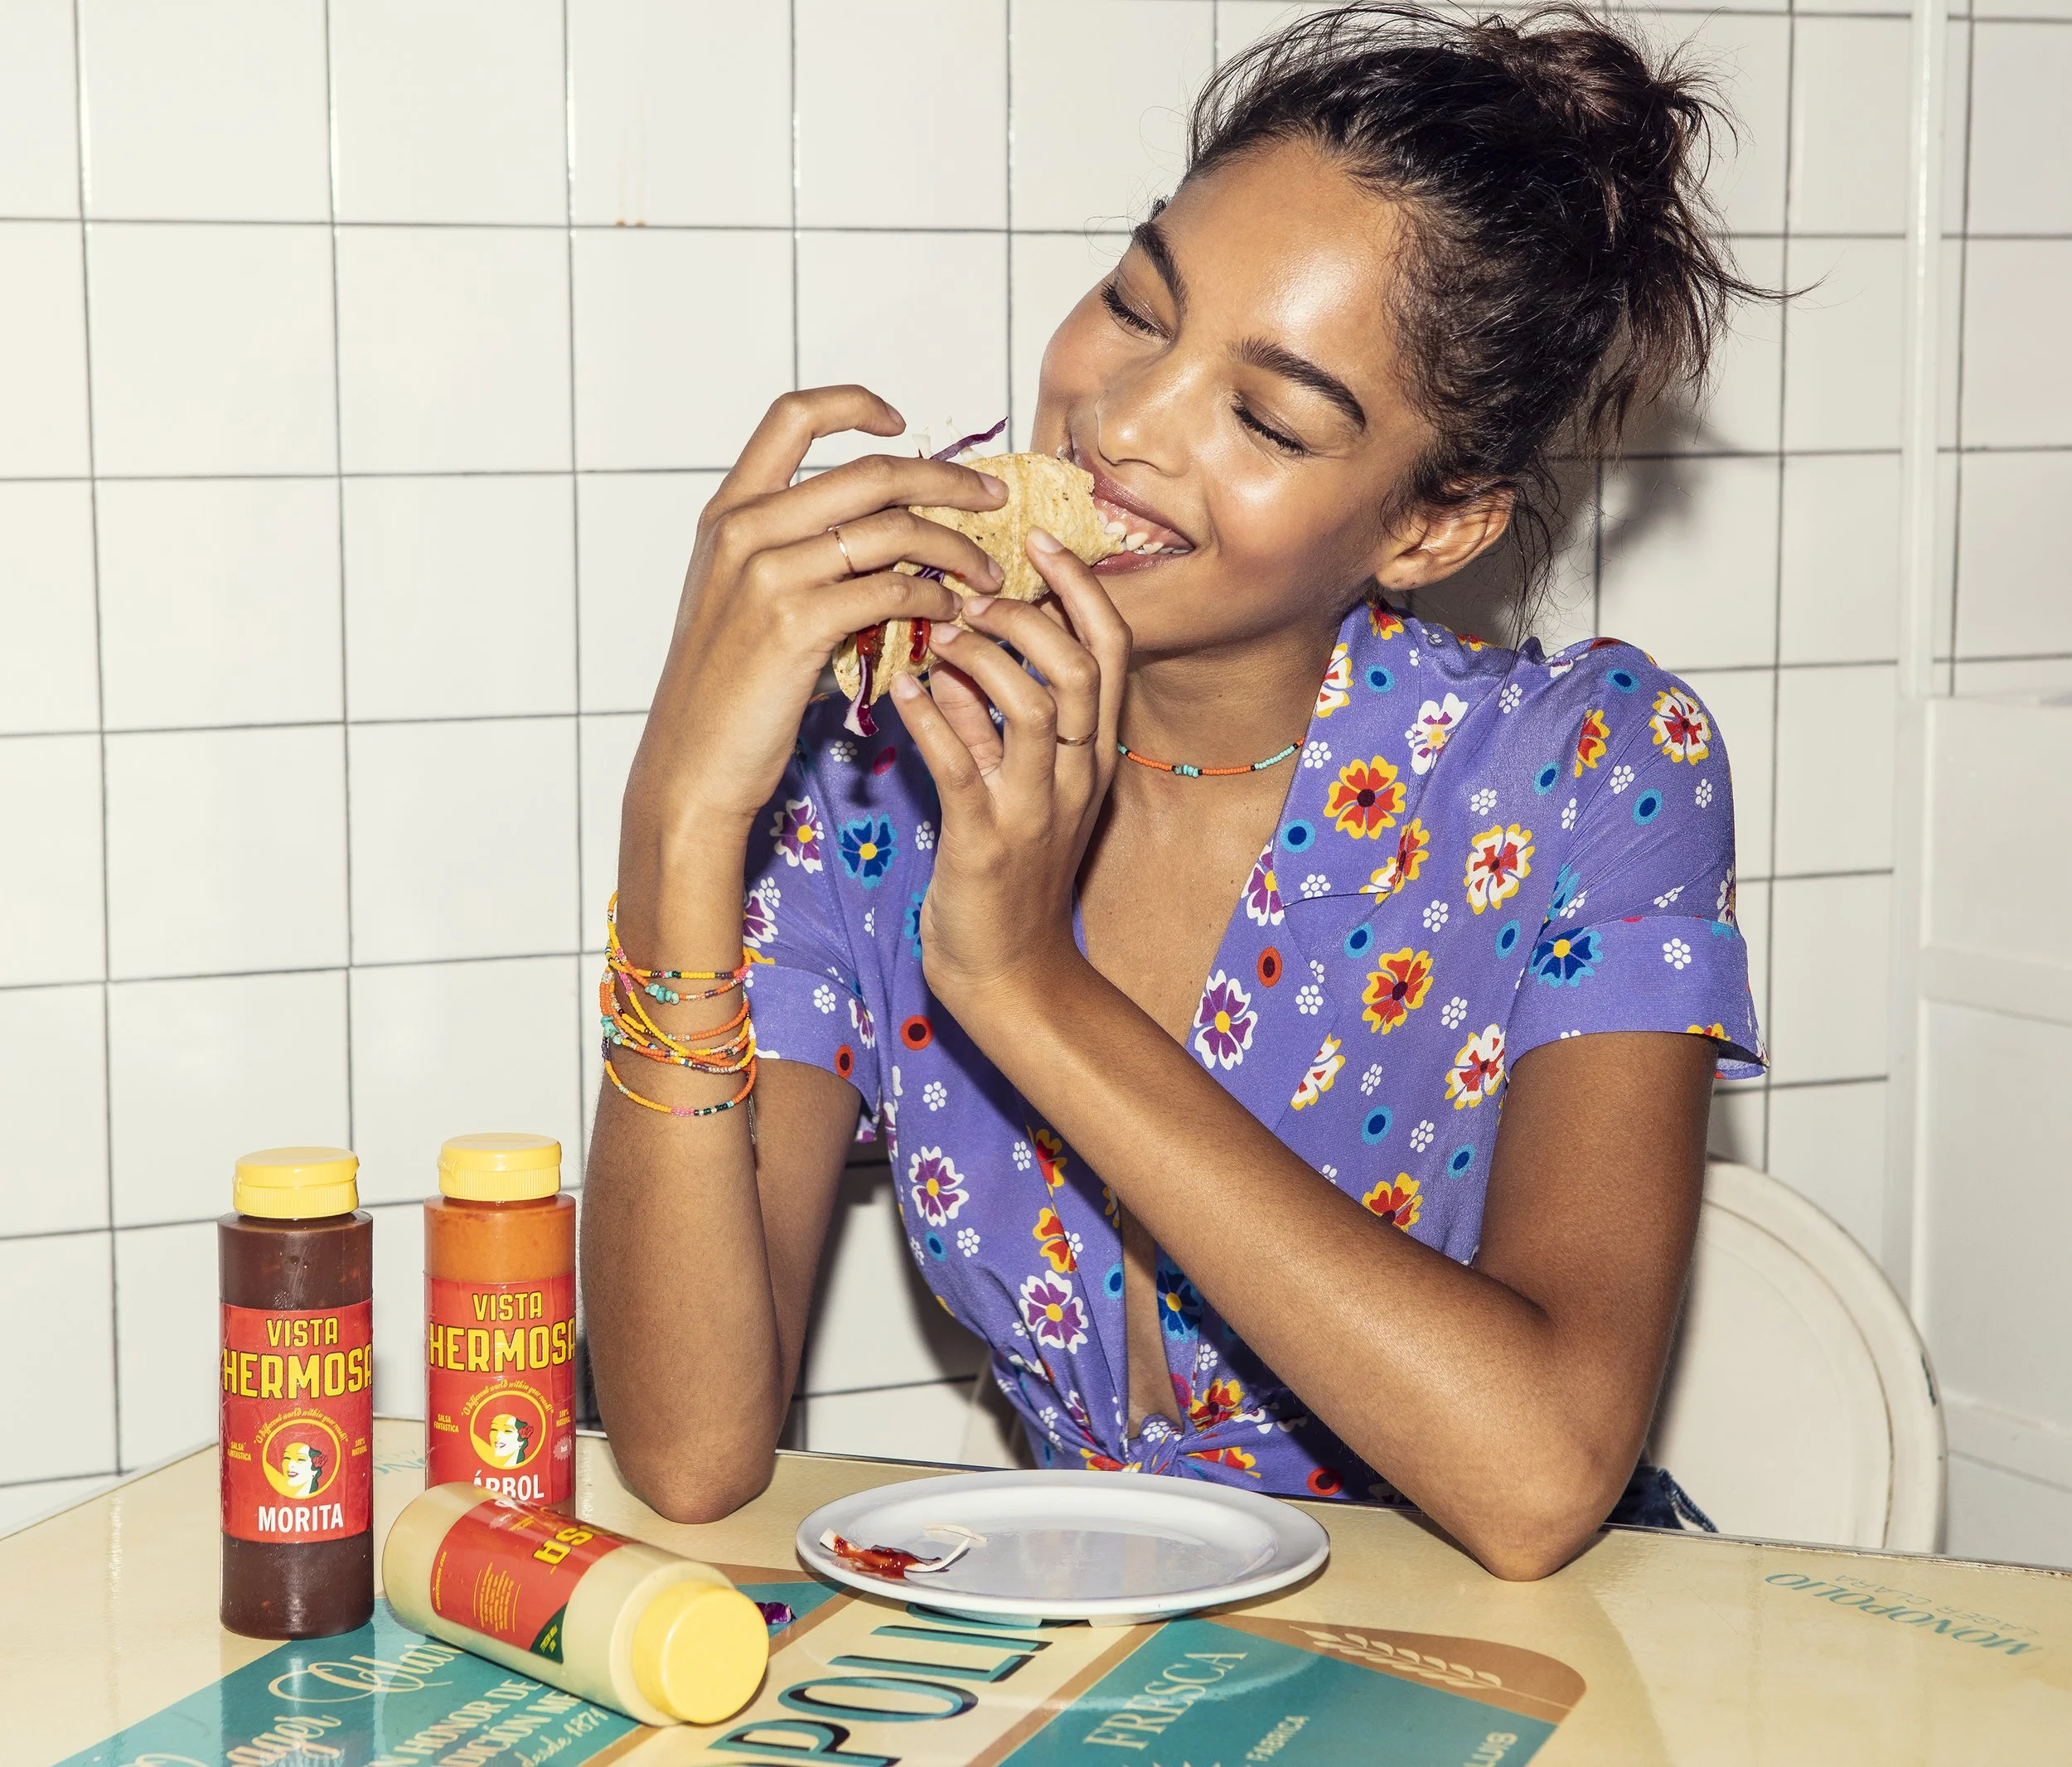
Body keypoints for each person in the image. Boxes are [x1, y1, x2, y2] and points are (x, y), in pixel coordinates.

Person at [583, 2, 1765, 1580]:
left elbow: (1541, 1479)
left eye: (1267, 417)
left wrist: (1023, 986)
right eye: (1138, 308)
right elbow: (687, 1456)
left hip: (1527, 1659)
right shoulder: (882, 764)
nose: (1124, 422)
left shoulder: (1584, 773)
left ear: (1431, 531)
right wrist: (680, 814)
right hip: (1099, 1655)